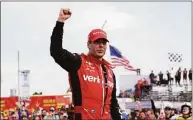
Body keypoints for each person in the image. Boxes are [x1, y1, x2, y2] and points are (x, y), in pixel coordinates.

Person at [50, 8, 121, 120]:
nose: (101, 45)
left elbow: (113, 106)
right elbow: (56, 51)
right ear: (89, 45)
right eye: (97, 42)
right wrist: (60, 22)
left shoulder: (110, 72)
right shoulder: (78, 62)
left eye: (103, 43)